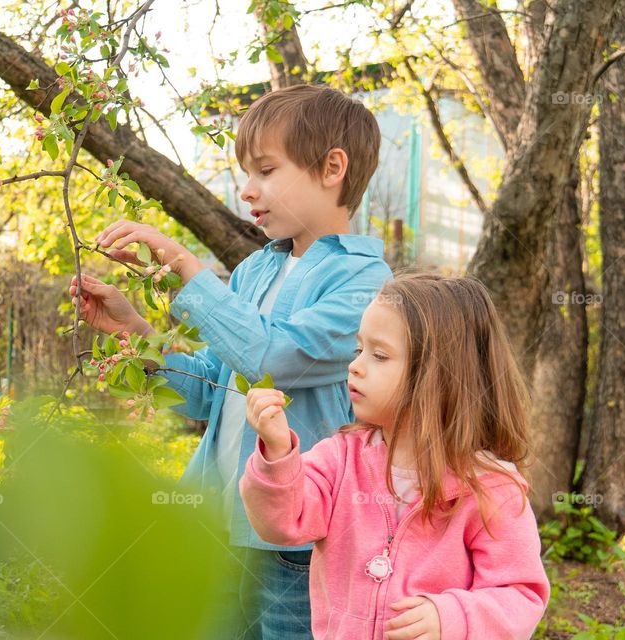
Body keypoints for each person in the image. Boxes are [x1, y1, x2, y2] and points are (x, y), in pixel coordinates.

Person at [69, 84, 391, 638]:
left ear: (332, 167)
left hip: (295, 539)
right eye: (247, 173)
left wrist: (187, 270)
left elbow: (270, 358)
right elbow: (211, 391)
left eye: (265, 171)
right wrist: (137, 334)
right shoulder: (252, 273)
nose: (247, 190)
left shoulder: (365, 281)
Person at [241, 274, 550, 639]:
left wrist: (453, 618)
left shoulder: (491, 489)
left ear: (441, 376)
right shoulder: (340, 460)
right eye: (358, 350)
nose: (354, 366)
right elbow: (282, 522)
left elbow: (520, 594)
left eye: (380, 355)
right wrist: (277, 454)